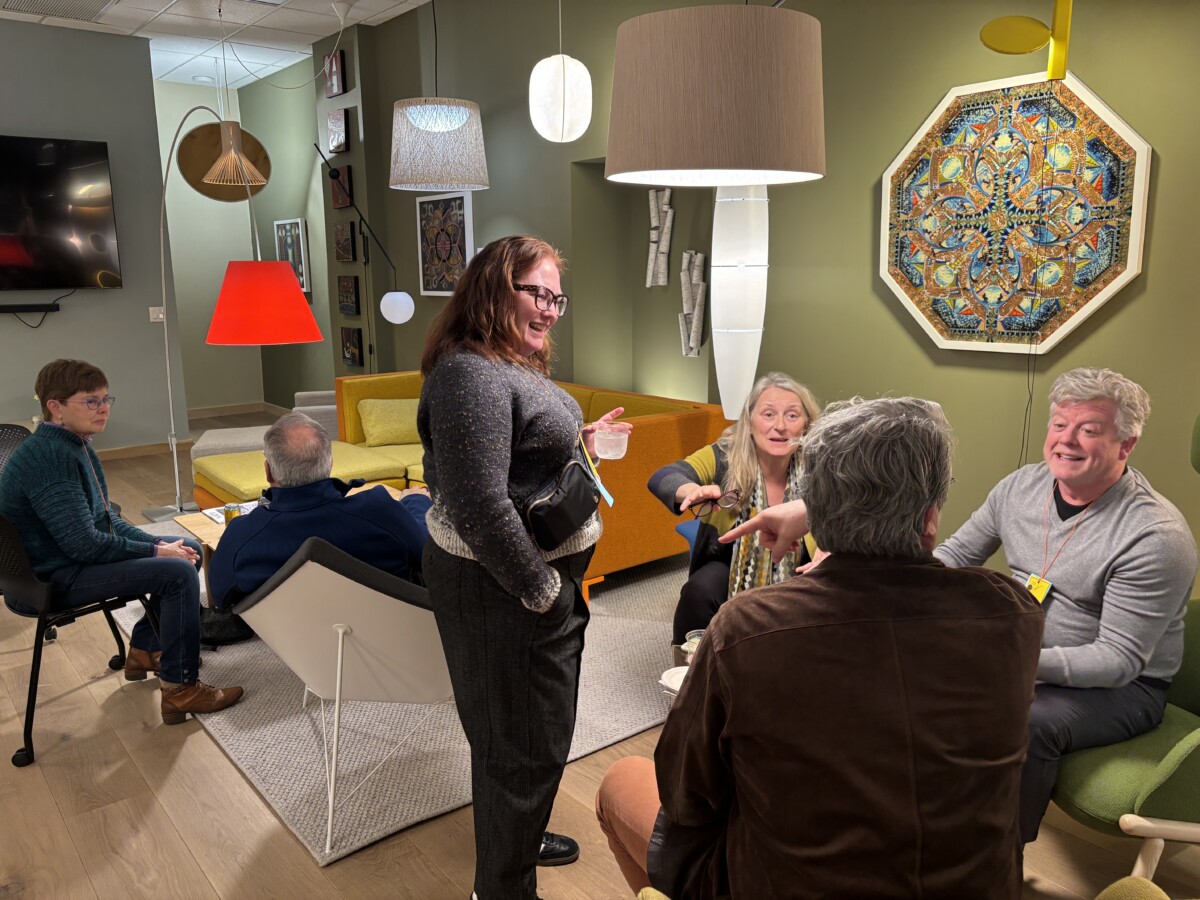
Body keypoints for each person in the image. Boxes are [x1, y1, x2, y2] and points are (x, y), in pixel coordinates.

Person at [596, 397, 1044, 898]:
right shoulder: (1012, 613)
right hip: (977, 887)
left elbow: (685, 792)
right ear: (931, 517)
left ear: (815, 509)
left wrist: (822, 510)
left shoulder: (746, 627)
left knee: (621, 783)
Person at [417, 234, 631, 900]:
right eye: (536, 293)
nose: (549, 309)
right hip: (503, 591)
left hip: (530, 586)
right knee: (519, 751)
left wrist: (575, 443)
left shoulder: (506, 361)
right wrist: (543, 592)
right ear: (492, 288)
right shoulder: (469, 374)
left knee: (529, 741)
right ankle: (502, 888)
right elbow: (478, 504)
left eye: (556, 298)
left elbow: (511, 458)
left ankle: (519, 837)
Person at [934, 367, 1198, 848]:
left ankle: (995, 860)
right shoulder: (1019, 488)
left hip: (1125, 688)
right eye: (1059, 424)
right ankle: (931, 827)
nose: (1066, 440)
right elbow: (954, 555)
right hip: (1024, 653)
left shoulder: (1154, 535)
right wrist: (879, 576)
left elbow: (1117, 660)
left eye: (1089, 429)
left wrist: (1009, 662)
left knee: (1027, 720)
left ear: (1126, 444)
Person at [0, 359, 243, 725]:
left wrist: (160, 545)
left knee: (186, 550)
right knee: (177, 573)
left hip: (62, 561)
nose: (104, 409)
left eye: (105, 399)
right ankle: (180, 689)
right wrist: (155, 551)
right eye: (91, 401)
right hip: (48, 579)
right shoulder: (51, 457)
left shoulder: (72, 443)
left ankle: (145, 649)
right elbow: (85, 544)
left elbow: (105, 521)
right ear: (55, 406)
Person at [647, 372, 819, 653]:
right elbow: (664, 476)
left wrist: (830, 549)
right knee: (699, 592)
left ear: (806, 425)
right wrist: (691, 489)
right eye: (768, 414)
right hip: (729, 562)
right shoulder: (724, 456)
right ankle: (689, 669)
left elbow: (849, 510)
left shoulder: (819, 464)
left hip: (801, 567)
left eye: (792, 416)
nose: (780, 426)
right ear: (749, 423)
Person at [207, 412, 432, 608]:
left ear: (269, 471)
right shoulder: (380, 511)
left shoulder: (243, 536)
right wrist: (417, 502)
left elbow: (221, 596)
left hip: (292, 636)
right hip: (388, 627)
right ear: (330, 463)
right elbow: (430, 553)